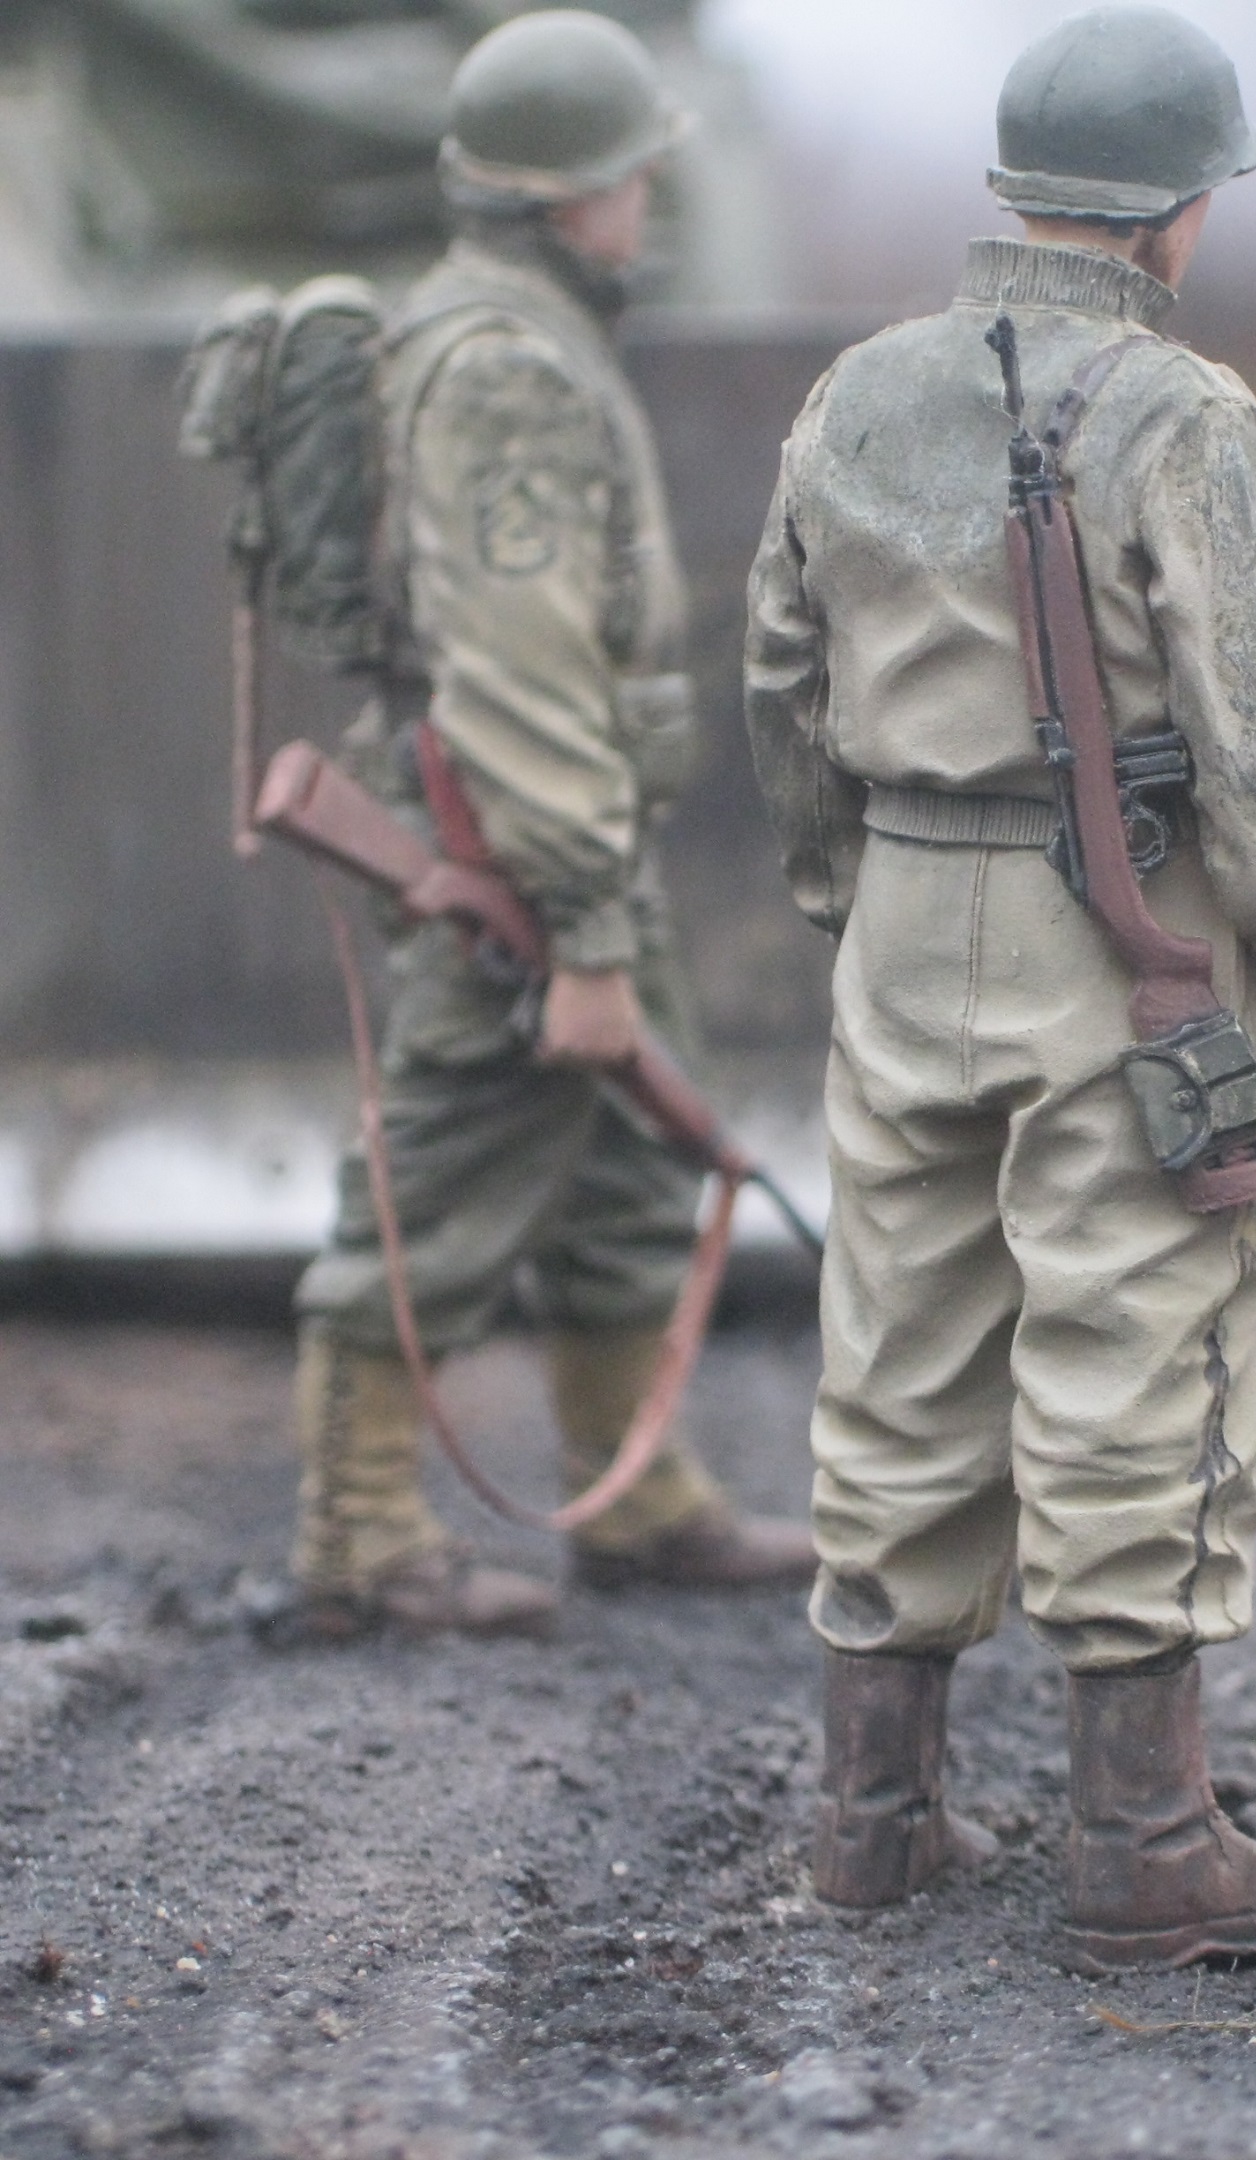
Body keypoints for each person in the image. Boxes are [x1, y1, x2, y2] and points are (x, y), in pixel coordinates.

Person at [744, 5, 1256, 1968]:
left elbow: (781, 673)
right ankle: (1144, 1839)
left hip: (905, 909)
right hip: (1125, 936)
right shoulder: (1183, 413)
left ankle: (870, 1819)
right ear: (1180, 208)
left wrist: (849, 890)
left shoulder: (856, 391)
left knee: (898, 1339)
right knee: (1144, 1336)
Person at [284, 9, 813, 1639]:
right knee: (443, 1179)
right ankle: (358, 1537)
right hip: (514, 858)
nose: (647, 200)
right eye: (634, 174)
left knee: (630, 1173)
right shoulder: (507, 370)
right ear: (576, 190)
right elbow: (516, 670)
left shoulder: (522, 332)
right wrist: (581, 925)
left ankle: (637, 1499)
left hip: (558, 848)